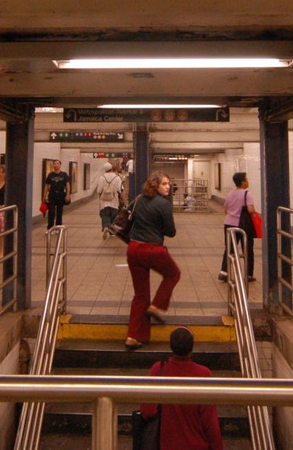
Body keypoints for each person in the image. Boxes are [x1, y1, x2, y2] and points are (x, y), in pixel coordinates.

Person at [140, 326, 223, 450]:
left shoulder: (158, 370)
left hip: (165, 445)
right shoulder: (203, 374)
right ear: (191, 348)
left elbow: (147, 411)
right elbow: (210, 422)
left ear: (171, 347)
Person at [125, 171, 180, 350]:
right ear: (155, 185)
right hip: (153, 250)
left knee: (140, 295)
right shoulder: (163, 204)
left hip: (133, 249)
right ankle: (156, 306)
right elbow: (171, 232)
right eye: (164, 184)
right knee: (173, 274)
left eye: (168, 183)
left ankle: (133, 336)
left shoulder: (139, 199)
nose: (168, 186)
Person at [218, 172, 257, 282]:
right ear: (243, 182)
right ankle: (248, 274)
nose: (248, 181)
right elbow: (250, 210)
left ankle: (224, 272)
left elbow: (225, 209)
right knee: (248, 249)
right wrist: (254, 211)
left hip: (229, 224)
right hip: (243, 225)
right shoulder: (247, 194)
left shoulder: (230, 194)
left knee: (229, 248)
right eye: (246, 179)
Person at [95, 162, 123, 239]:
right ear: (111, 169)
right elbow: (120, 190)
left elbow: (99, 191)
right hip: (114, 201)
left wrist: (100, 200)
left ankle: (105, 227)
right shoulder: (117, 178)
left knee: (105, 215)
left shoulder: (102, 178)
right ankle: (112, 231)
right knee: (113, 216)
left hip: (103, 202)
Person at [42, 159, 70, 228]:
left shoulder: (64, 175)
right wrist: (45, 195)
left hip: (61, 195)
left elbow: (68, 185)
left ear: (60, 165)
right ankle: (50, 227)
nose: (56, 165)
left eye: (57, 163)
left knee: (59, 212)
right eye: (54, 163)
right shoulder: (50, 175)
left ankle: (58, 226)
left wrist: (68, 195)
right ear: (53, 165)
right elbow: (46, 185)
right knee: (51, 211)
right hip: (52, 195)